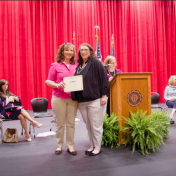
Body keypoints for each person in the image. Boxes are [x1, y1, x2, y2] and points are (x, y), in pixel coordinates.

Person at [71, 43, 109, 156]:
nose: (83, 51)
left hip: (95, 99)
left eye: (86, 49)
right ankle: (92, 145)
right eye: (81, 50)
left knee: (96, 125)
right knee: (89, 125)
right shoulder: (79, 66)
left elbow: (104, 79)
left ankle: (97, 147)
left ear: (90, 51)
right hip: (82, 101)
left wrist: (104, 95)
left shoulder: (96, 63)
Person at [46, 43, 78, 155]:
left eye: (71, 50)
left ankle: (71, 146)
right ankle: (59, 146)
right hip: (58, 98)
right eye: (67, 50)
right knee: (60, 124)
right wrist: (57, 85)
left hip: (72, 99)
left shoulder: (76, 65)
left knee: (71, 124)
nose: (69, 52)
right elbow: (48, 81)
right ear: (62, 52)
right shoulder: (55, 65)